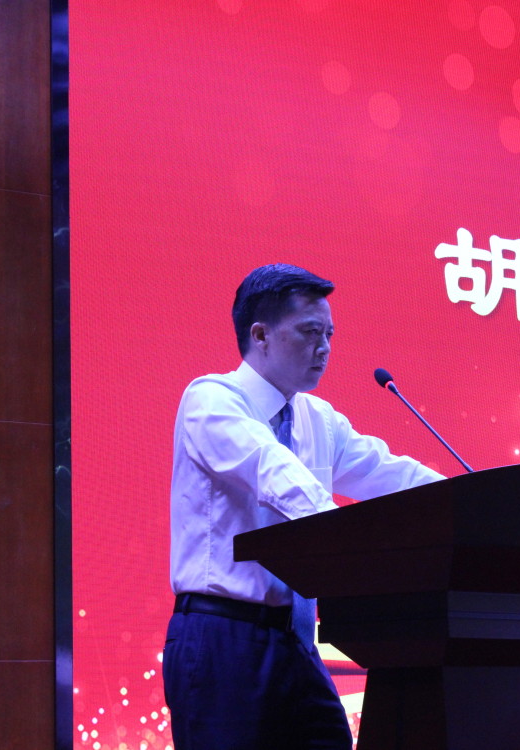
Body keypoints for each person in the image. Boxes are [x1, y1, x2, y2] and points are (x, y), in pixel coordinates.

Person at [162, 263, 444, 750]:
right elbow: (276, 476)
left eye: (330, 334)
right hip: (223, 636)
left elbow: (390, 475)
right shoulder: (211, 399)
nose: (325, 347)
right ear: (260, 335)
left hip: (295, 641)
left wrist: (471, 501)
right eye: (311, 332)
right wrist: (351, 547)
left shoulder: (318, 418)